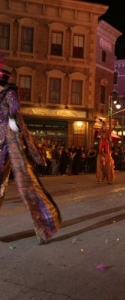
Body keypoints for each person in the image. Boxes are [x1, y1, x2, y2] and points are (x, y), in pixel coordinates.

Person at [0, 67, 61, 245]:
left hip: (9, 144)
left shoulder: (9, 94)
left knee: (27, 185)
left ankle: (45, 227)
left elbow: (15, 108)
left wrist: (11, 120)